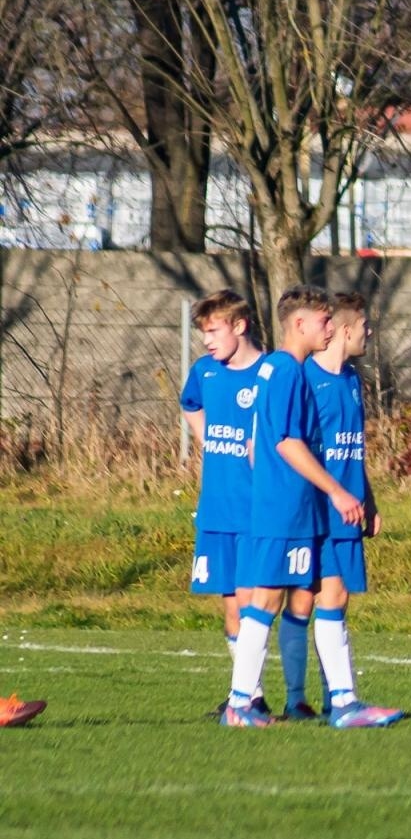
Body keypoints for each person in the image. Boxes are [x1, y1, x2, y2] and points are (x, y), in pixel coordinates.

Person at [221, 285, 365, 728]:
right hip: (285, 509)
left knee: (323, 590)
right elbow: (286, 442)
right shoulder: (285, 370)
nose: (330, 329)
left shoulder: (278, 369)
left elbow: (254, 443)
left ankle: (343, 703)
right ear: (299, 324)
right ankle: (240, 704)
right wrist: (336, 491)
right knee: (264, 602)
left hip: (295, 508)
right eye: (324, 321)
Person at [271, 291, 403, 728]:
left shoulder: (349, 378)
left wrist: (368, 496)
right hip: (321, 505)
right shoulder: (305, 378)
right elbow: (294, 445)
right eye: (365, 327)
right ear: (346, 330)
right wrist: (333, 493)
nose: (369, 333)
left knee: (329, 598)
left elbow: (353, 449)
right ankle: (320, 699)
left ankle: (332, 699)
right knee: (317, 597)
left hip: (348, 504)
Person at [179, 289, 268, 715]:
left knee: (254, 605)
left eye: (213, 331)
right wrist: (205, 435)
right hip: (216, 509)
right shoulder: (205, 372)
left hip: (256, 510)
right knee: (232, 611)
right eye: (203, 334)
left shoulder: (271, 372)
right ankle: (251, 695)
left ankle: (247, 696)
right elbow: (190, 404)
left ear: (239, 326)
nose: (208, 342)